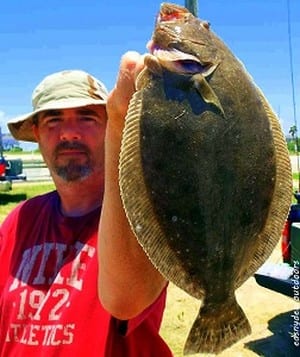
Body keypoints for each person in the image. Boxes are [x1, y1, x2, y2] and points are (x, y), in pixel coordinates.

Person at [0, 52, 172, 356]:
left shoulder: (141, 217)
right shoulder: (19, 221)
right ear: (37, 134)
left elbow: (125, 300)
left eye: (87, 117)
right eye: (53, 120)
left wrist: (123, 116)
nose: (69, 132)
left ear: (109, 128)